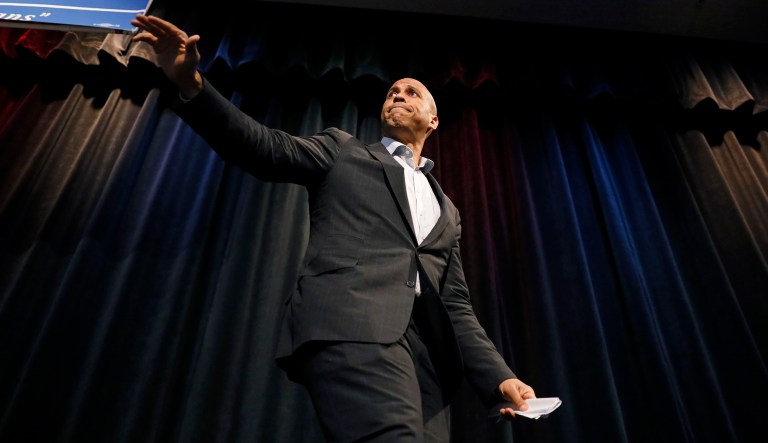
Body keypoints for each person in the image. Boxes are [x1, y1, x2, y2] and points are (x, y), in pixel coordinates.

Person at [131, 13, 536, 442]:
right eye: (392, 92)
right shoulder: (344, 151)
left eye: (411, 92)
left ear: (433, 121)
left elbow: (456, 307)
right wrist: (190, 82)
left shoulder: (448, 210)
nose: (398, 95)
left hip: (427, 364)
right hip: (353, 326)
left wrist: (499, 378)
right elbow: (263, 147)